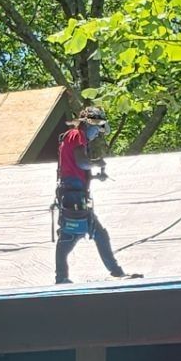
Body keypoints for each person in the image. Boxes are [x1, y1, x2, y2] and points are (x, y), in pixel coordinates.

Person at [54, 106, 135, 285]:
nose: (96, 133)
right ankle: (62, 277)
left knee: (90, 234)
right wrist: (97, 163)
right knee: (71, 235)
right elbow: (82, 163)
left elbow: (76, 168)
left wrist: (96, 175)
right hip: (73, 192)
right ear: (88, 124)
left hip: (74, 190)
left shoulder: (74, 137)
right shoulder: (77, 135)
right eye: (96, 129)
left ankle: (114, 271)